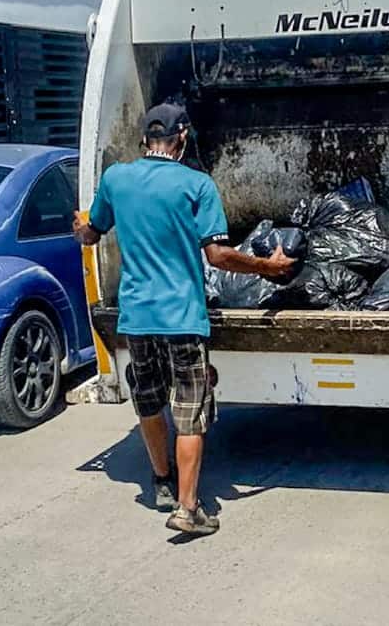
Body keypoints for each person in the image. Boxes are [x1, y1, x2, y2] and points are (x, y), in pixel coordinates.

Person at [74, 103, 295, 537]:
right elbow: (218, 255)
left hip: (137, 317)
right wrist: (267, 267)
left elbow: (91, 233)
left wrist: (79, 228)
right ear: (182, 138)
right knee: (190, 411)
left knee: (149, 401)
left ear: (144, 139)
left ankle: (161, 481)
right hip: (182, 318)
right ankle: (188, 508)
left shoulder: (116, 179)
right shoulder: (197, 184)